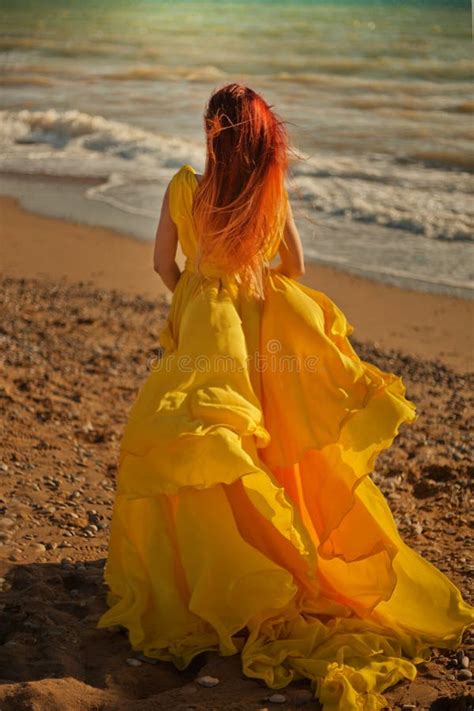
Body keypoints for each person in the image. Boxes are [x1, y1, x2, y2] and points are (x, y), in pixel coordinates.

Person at [97, 83, 473, 711]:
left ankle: (211, 574)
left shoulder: (184, 185)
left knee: (204, 438)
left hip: (202, 323)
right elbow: (294, 267)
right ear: (264, 141)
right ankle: (278, 559)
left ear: (212, 131)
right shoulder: (269, 193)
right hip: (258, 326)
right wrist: (251, 277)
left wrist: (193, 291)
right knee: (266, 444)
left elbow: (164, 264)